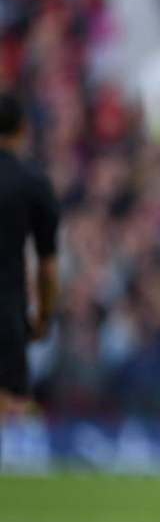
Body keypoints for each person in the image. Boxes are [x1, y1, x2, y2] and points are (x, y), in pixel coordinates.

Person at [0, 92, 59, 421]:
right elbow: (47, 266)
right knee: (12, 411)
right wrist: (43, 317)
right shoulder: (32, 183)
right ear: (22, 130)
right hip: (7, 309)